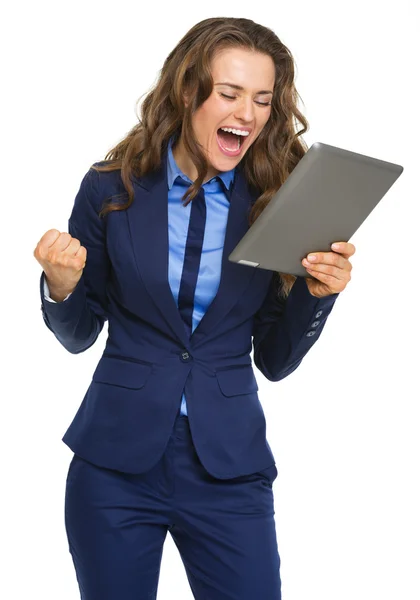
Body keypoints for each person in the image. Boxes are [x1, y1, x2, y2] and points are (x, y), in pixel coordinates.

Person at [33, 16, 354, 600]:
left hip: (229, 467)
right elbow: (79, 333)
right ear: (188, 92)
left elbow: (275, 361)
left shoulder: (277, 199)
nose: (248, 114)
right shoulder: (112, 189)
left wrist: (316, 295)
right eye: (230, 94)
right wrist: (61, 286)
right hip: (115, 466)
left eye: (262, 99)